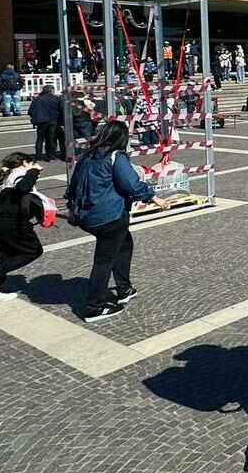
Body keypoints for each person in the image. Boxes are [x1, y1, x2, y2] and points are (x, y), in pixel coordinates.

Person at [64, 121, 171, 322]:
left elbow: (74, 184)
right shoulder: (115, 156)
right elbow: (131, 184)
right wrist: (154, 198)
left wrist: (71, 209)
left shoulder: (87, 156)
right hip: (108, 215)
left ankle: (124, 289)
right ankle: (93, 307)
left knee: (124, 244)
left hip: (86, 216)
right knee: (104, 260)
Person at [0, 153, 51, 306]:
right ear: (25, 163)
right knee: (33, 250)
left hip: (0, 222)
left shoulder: (10, 175)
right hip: (14, 223)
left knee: (4, 256)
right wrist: (34, 171)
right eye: (31, 163)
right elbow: (23, 187)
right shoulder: (19, 174)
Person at [28, 85, 62, 162]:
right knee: (51, 139)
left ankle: (38, 157)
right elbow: (61, 110)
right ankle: (51, 157)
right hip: (53, 121)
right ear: (52, 91)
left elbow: (30, 111)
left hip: (40, 121)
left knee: (40, 140)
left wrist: (35, 118)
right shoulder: (56, 99)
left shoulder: (37, 99)